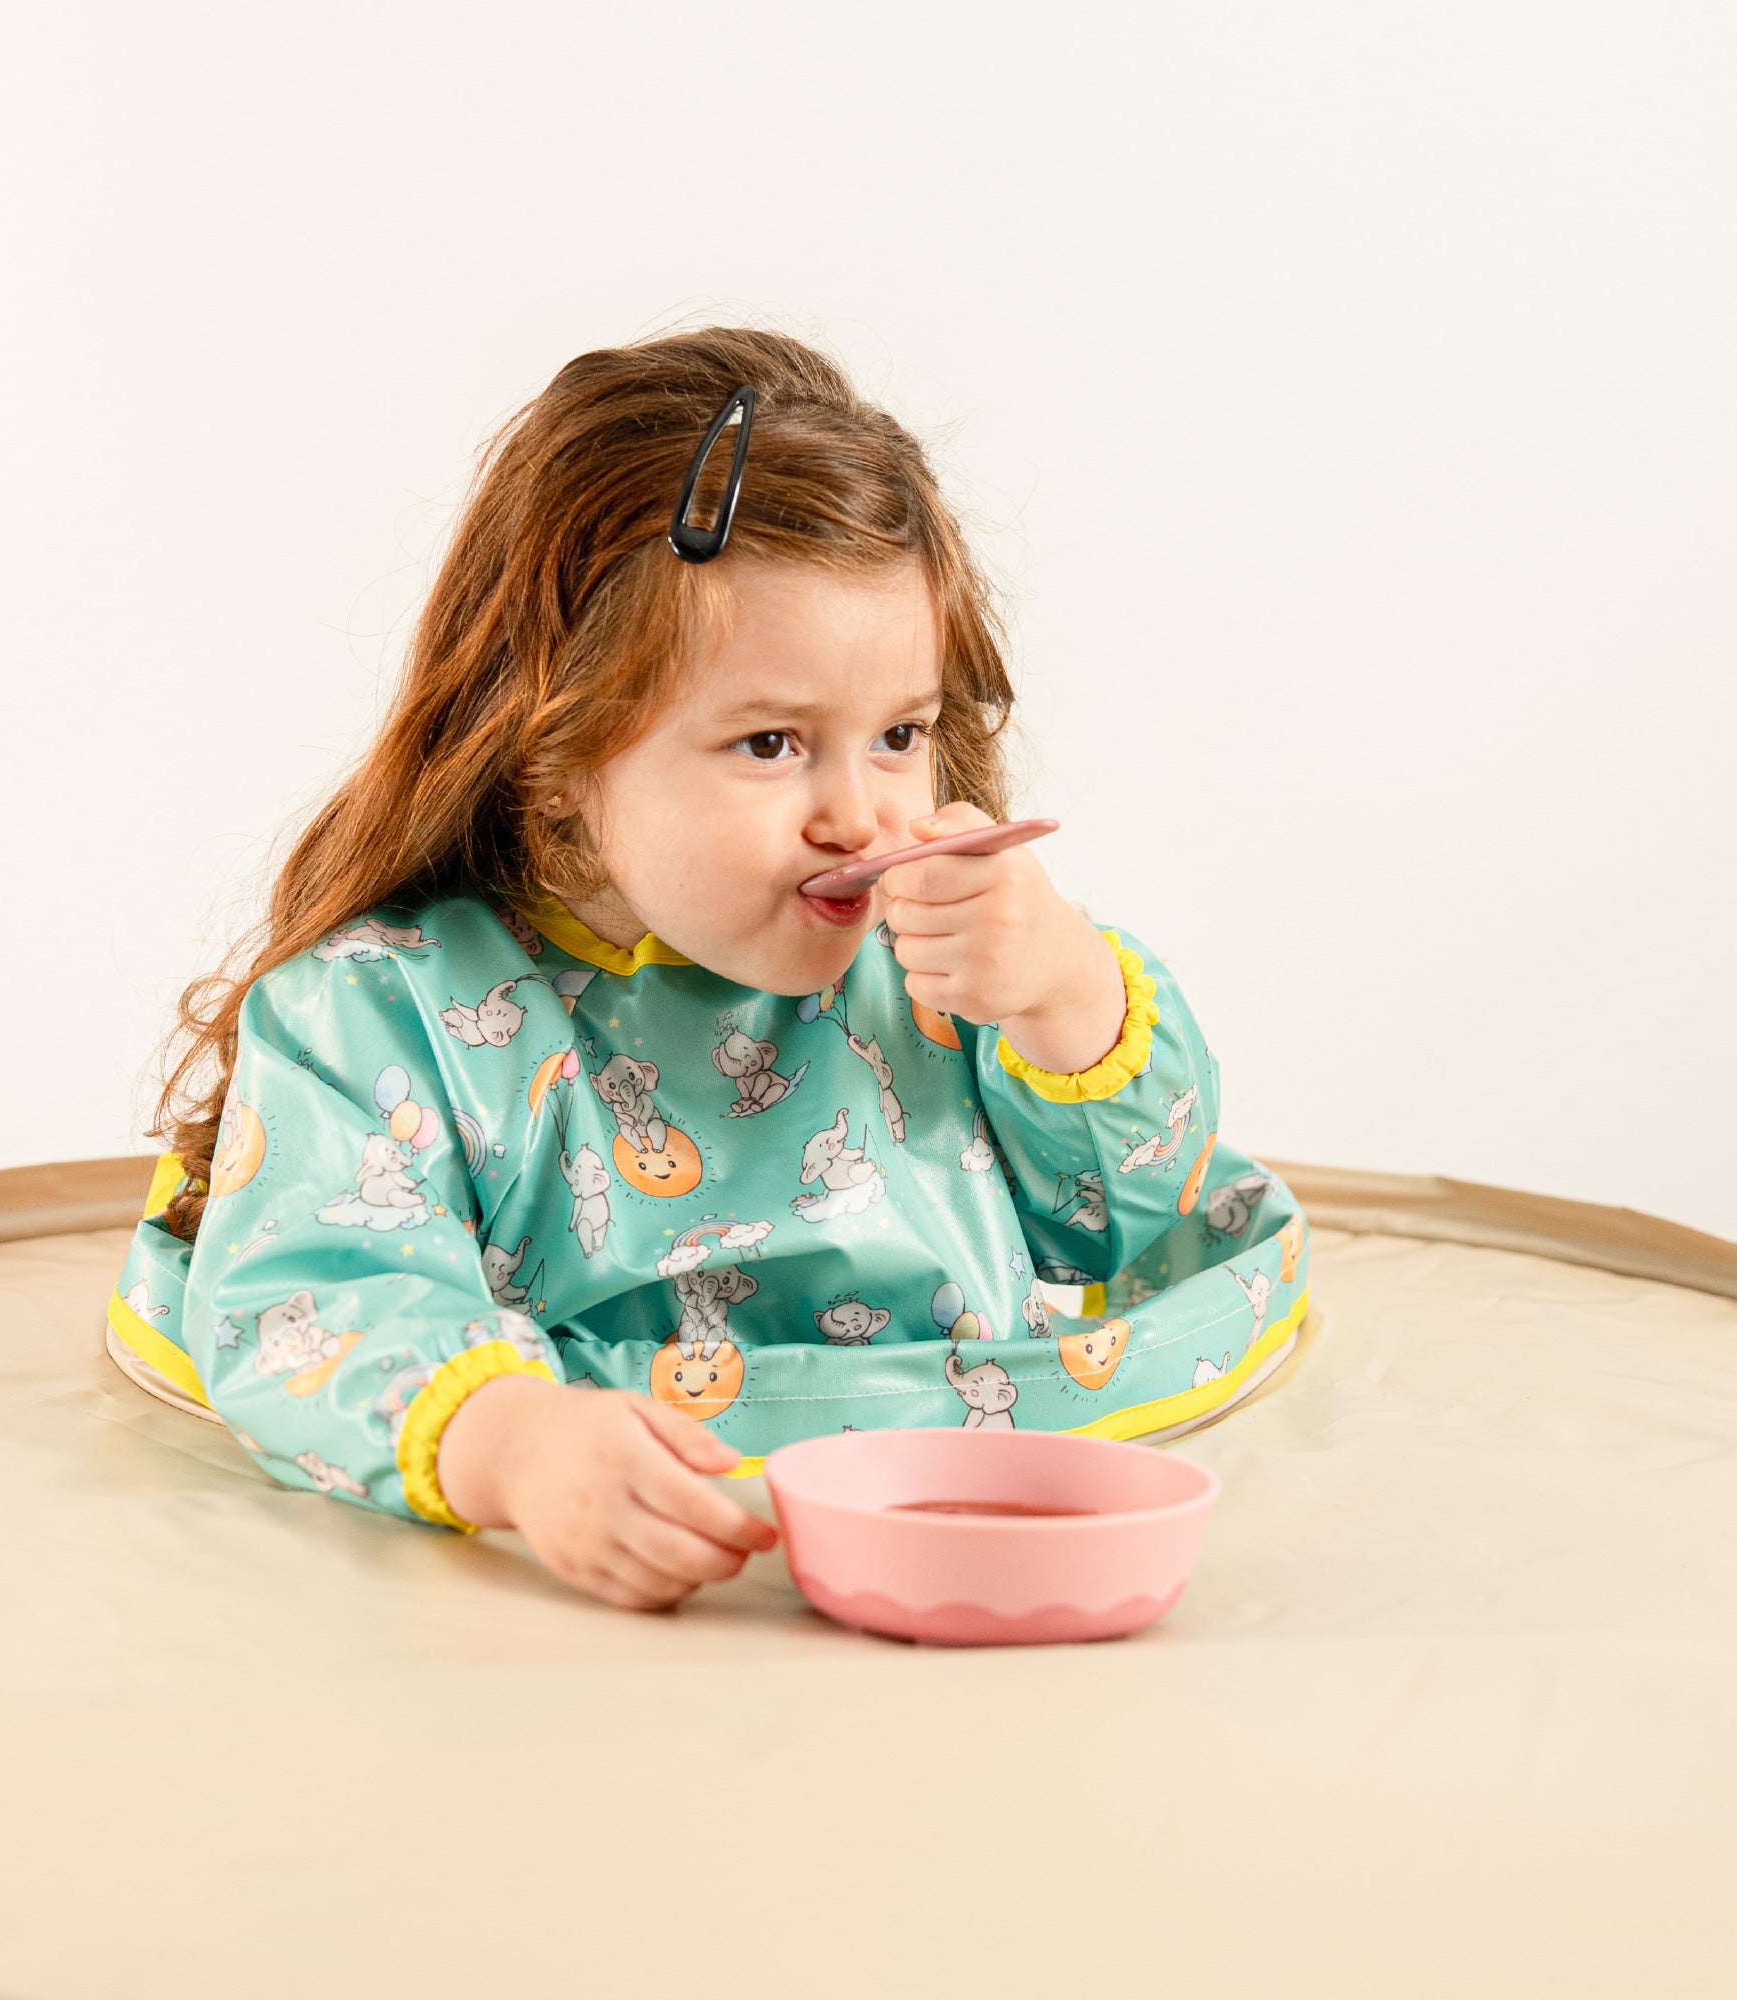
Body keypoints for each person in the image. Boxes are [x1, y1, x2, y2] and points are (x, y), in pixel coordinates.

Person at [108, 326, 1309, 1612]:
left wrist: (1066, 991)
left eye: (899, 732)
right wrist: (512, 1445)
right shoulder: (379, 1011)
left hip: (964, 1541)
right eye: (771, 742)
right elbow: (315, 1299)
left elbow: (1121, 1222)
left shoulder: (934, 954)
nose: (860, 815)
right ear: (557, 752)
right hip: (595, 1599)